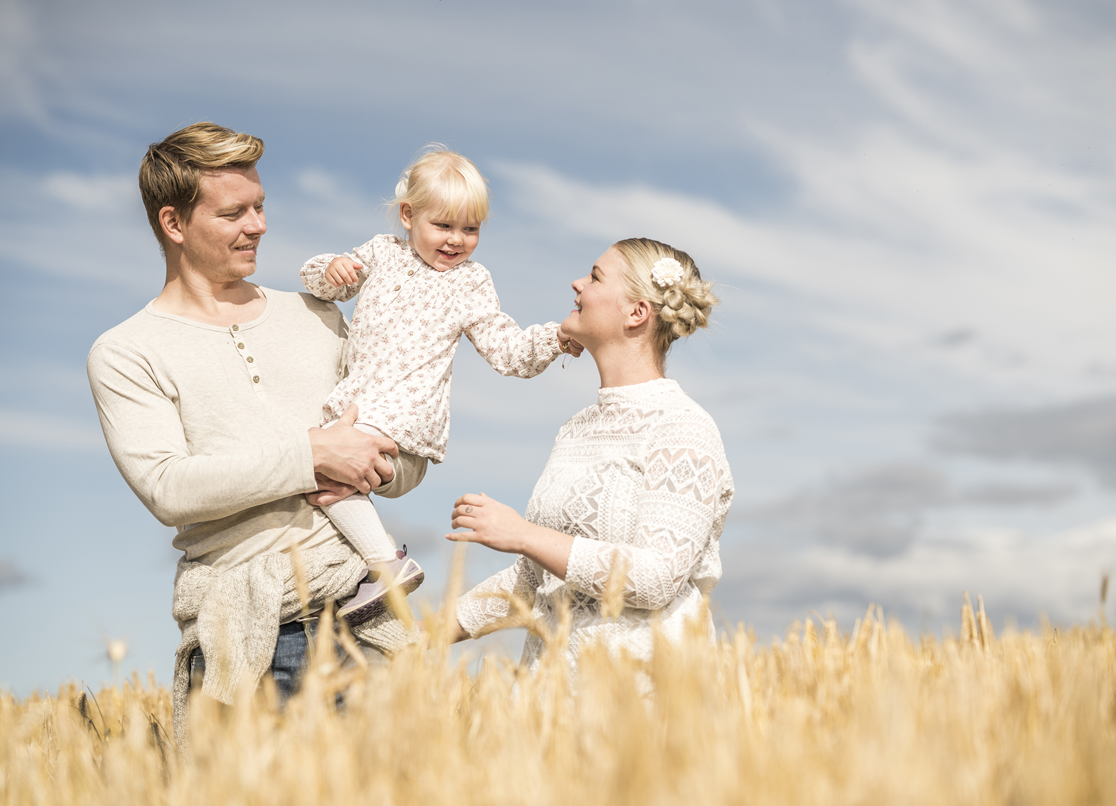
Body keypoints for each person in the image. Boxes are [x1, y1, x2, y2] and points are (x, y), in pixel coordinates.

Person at [86, 122, 413, 753]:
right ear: (174, 224)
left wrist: (380, 463)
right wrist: (313, 456)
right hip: (246, 631)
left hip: (362, 613)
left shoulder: (318, 315)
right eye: (234, 212)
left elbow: (394, 453)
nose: (258, 226)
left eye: (260, 206)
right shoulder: (126, 351)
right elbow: (167, 488)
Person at [299, 147, 583, 624]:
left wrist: (555, 338)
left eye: (470, 229)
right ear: (408, 216)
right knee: (318, 478)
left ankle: (385, 565)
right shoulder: (380, 253)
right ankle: (361, 576)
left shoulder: (471, 283)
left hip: (406, 416)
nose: (457, 240)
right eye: (444, 226)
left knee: (329, 472)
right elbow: (322, 285)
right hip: (357, 404)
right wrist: (329, 269)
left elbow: (506, 350)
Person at [443, 238, 734, 667]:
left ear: (637, 313)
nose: (577, 283)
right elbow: (533, 582)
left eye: (595, 276)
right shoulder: (576, 429)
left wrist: (523, 534)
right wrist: (417, 638)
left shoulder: (681, 425)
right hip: (549, 701)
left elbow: (657, 578)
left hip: (643, 698)